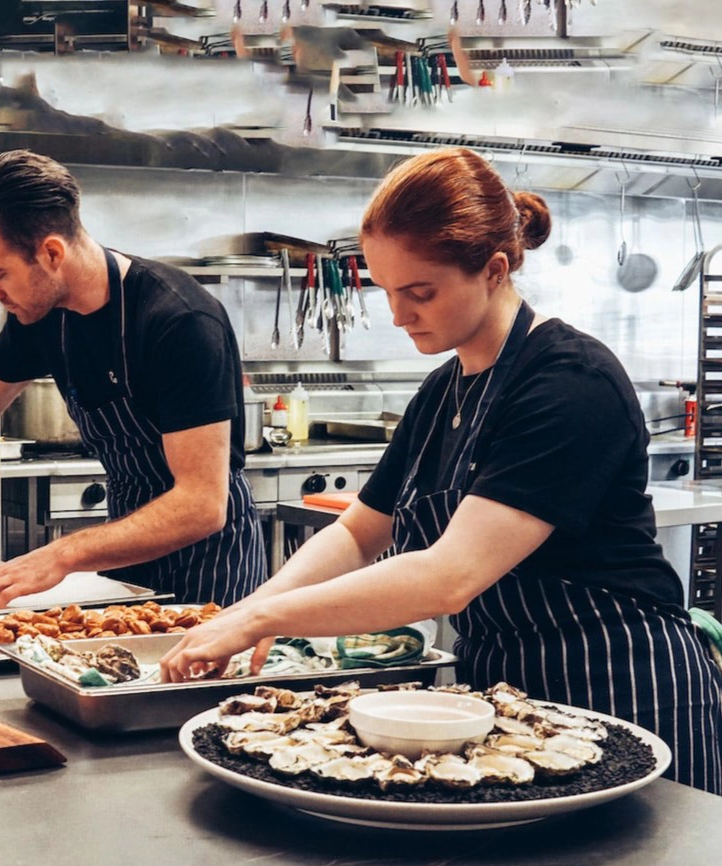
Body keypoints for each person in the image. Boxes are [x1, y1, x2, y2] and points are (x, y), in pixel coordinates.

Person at [161, 147, 722, 795]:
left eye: (418, 292)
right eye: (387, 291)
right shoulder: (440, 391)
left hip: (621, 681)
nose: (398, 315)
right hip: (506, 697)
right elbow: (356, 534)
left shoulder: (568, 381)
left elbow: (449, 577)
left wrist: (265, 619)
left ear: (493, 269)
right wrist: (250, 607)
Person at [0, 149, 267, 611]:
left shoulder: (179, 320)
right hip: (125, 554)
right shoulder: (43, 315)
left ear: (52, 252)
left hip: (212, 571)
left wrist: (62, 554)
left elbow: (201, 504)